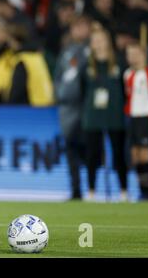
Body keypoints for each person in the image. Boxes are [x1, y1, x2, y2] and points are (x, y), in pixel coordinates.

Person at [80, 24, 128, 202]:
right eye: (95, 41)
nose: (98, 44)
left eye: (101, 40)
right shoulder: (87, 66)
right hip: (92, 116)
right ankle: (91, 191)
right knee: (92, 154)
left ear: (108, 42)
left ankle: (124, 191)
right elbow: (82, 90)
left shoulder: (119, 64)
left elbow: (125, 90)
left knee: (118, 153)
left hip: (115, 116)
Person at [54, 15, 91, 200]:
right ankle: (76, 190)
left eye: (83, 26)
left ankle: (92, 188)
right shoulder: (66, 52)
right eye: (76, 27)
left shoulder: (92, 51)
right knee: (70, 149)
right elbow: (58, 77)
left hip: (85, 108)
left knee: (88, 149)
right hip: (67, 109)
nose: (79, 31)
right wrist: (59, 94)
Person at [124, 43, 148, 199]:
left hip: (147, 116)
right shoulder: (127, 74)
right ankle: (142, 189)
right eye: (130, 54)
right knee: (135, 155)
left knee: (146, 154)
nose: (132, 57)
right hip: (134, 116)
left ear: (143, 55)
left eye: (135, 54)